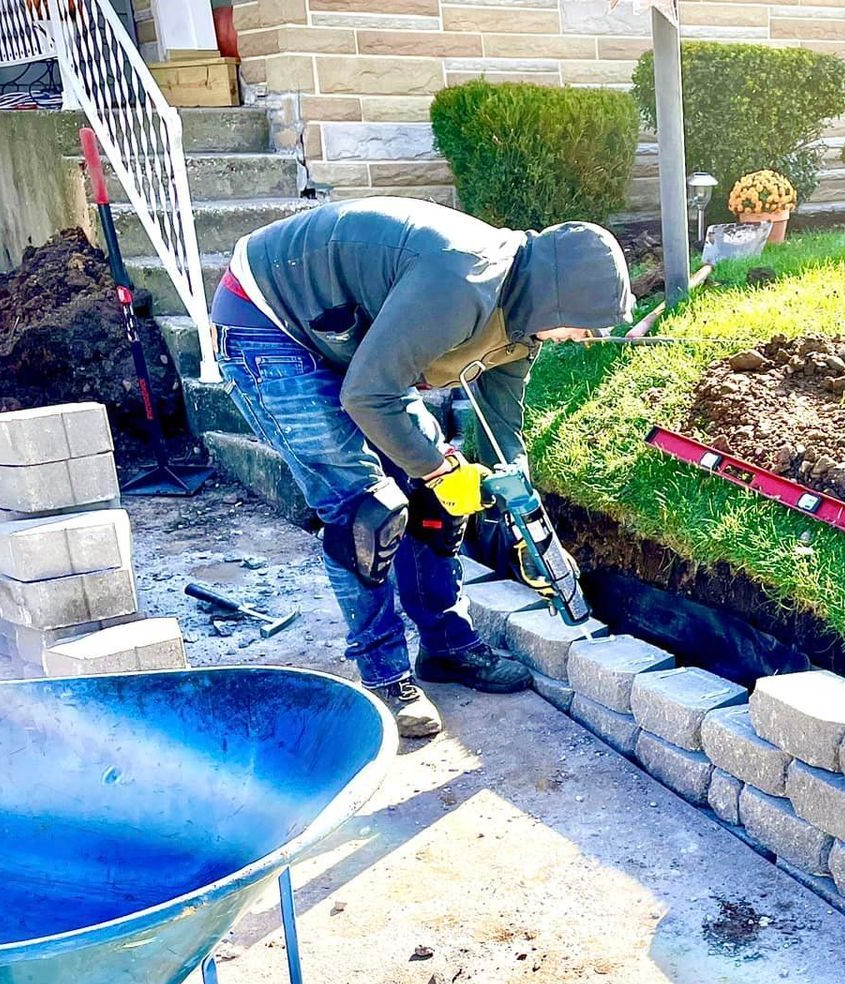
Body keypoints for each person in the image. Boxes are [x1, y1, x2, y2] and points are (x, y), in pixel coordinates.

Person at [210, 197, 632, 737]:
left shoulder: (523, 325)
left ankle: (447, 645)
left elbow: (504, 431)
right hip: (272, 320)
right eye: (582, 325)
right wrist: (438, 467)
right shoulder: (462, 282)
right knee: (366, 512)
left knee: (435, 499)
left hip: (354, 340)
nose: (584, 338)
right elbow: (368, 394)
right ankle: (384, 678)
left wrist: (523, 509)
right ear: (556, 297)